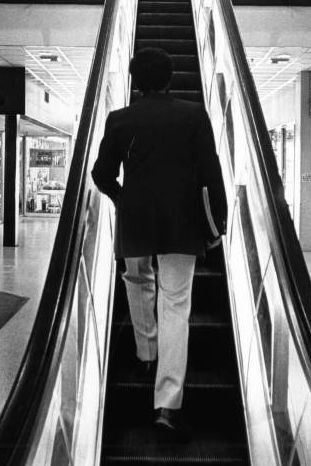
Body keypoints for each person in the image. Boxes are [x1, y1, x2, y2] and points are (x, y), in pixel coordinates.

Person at [92, 47, 227, 438]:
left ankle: (146, 352)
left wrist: (123, 198)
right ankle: (167, 404)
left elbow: (101, 174)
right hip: (182, 223)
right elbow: (211, 173)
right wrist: (217, 222)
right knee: (176, 305)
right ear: (169, 79)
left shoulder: (120, 118)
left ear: (135, 81)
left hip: (135, 220)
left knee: (136, 280)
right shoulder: (193, 115)